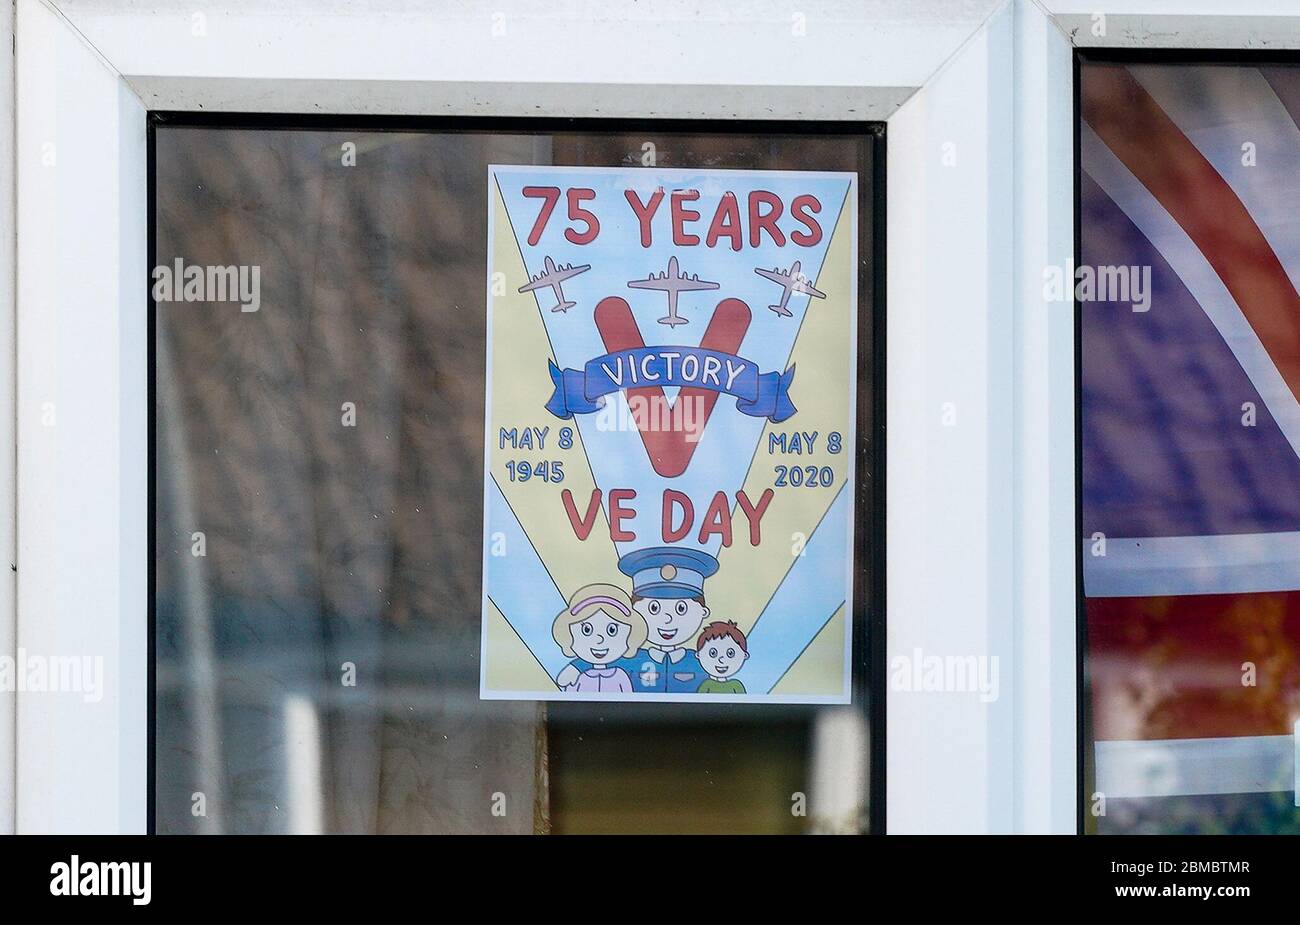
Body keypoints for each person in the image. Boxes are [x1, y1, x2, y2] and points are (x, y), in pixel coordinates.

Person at [616, 547, 719, 693]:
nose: (667, 619)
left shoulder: (700, 661)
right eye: (654, 608)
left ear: (703, 612)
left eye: (681, 609)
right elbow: (601, 664)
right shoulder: (631, 658)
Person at [551, 583, 646, 694]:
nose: (599, 639)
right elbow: (569, 699)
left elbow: (629, 697)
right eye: (587, 630)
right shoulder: (579, 677)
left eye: (612, 630)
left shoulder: (620, 675)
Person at [695, 621, 750, 694]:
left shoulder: (736, 685)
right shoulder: (706, 684)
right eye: (713, 653)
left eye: (730, 653)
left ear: (744, 655)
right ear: (698, 655)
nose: (721, 659)